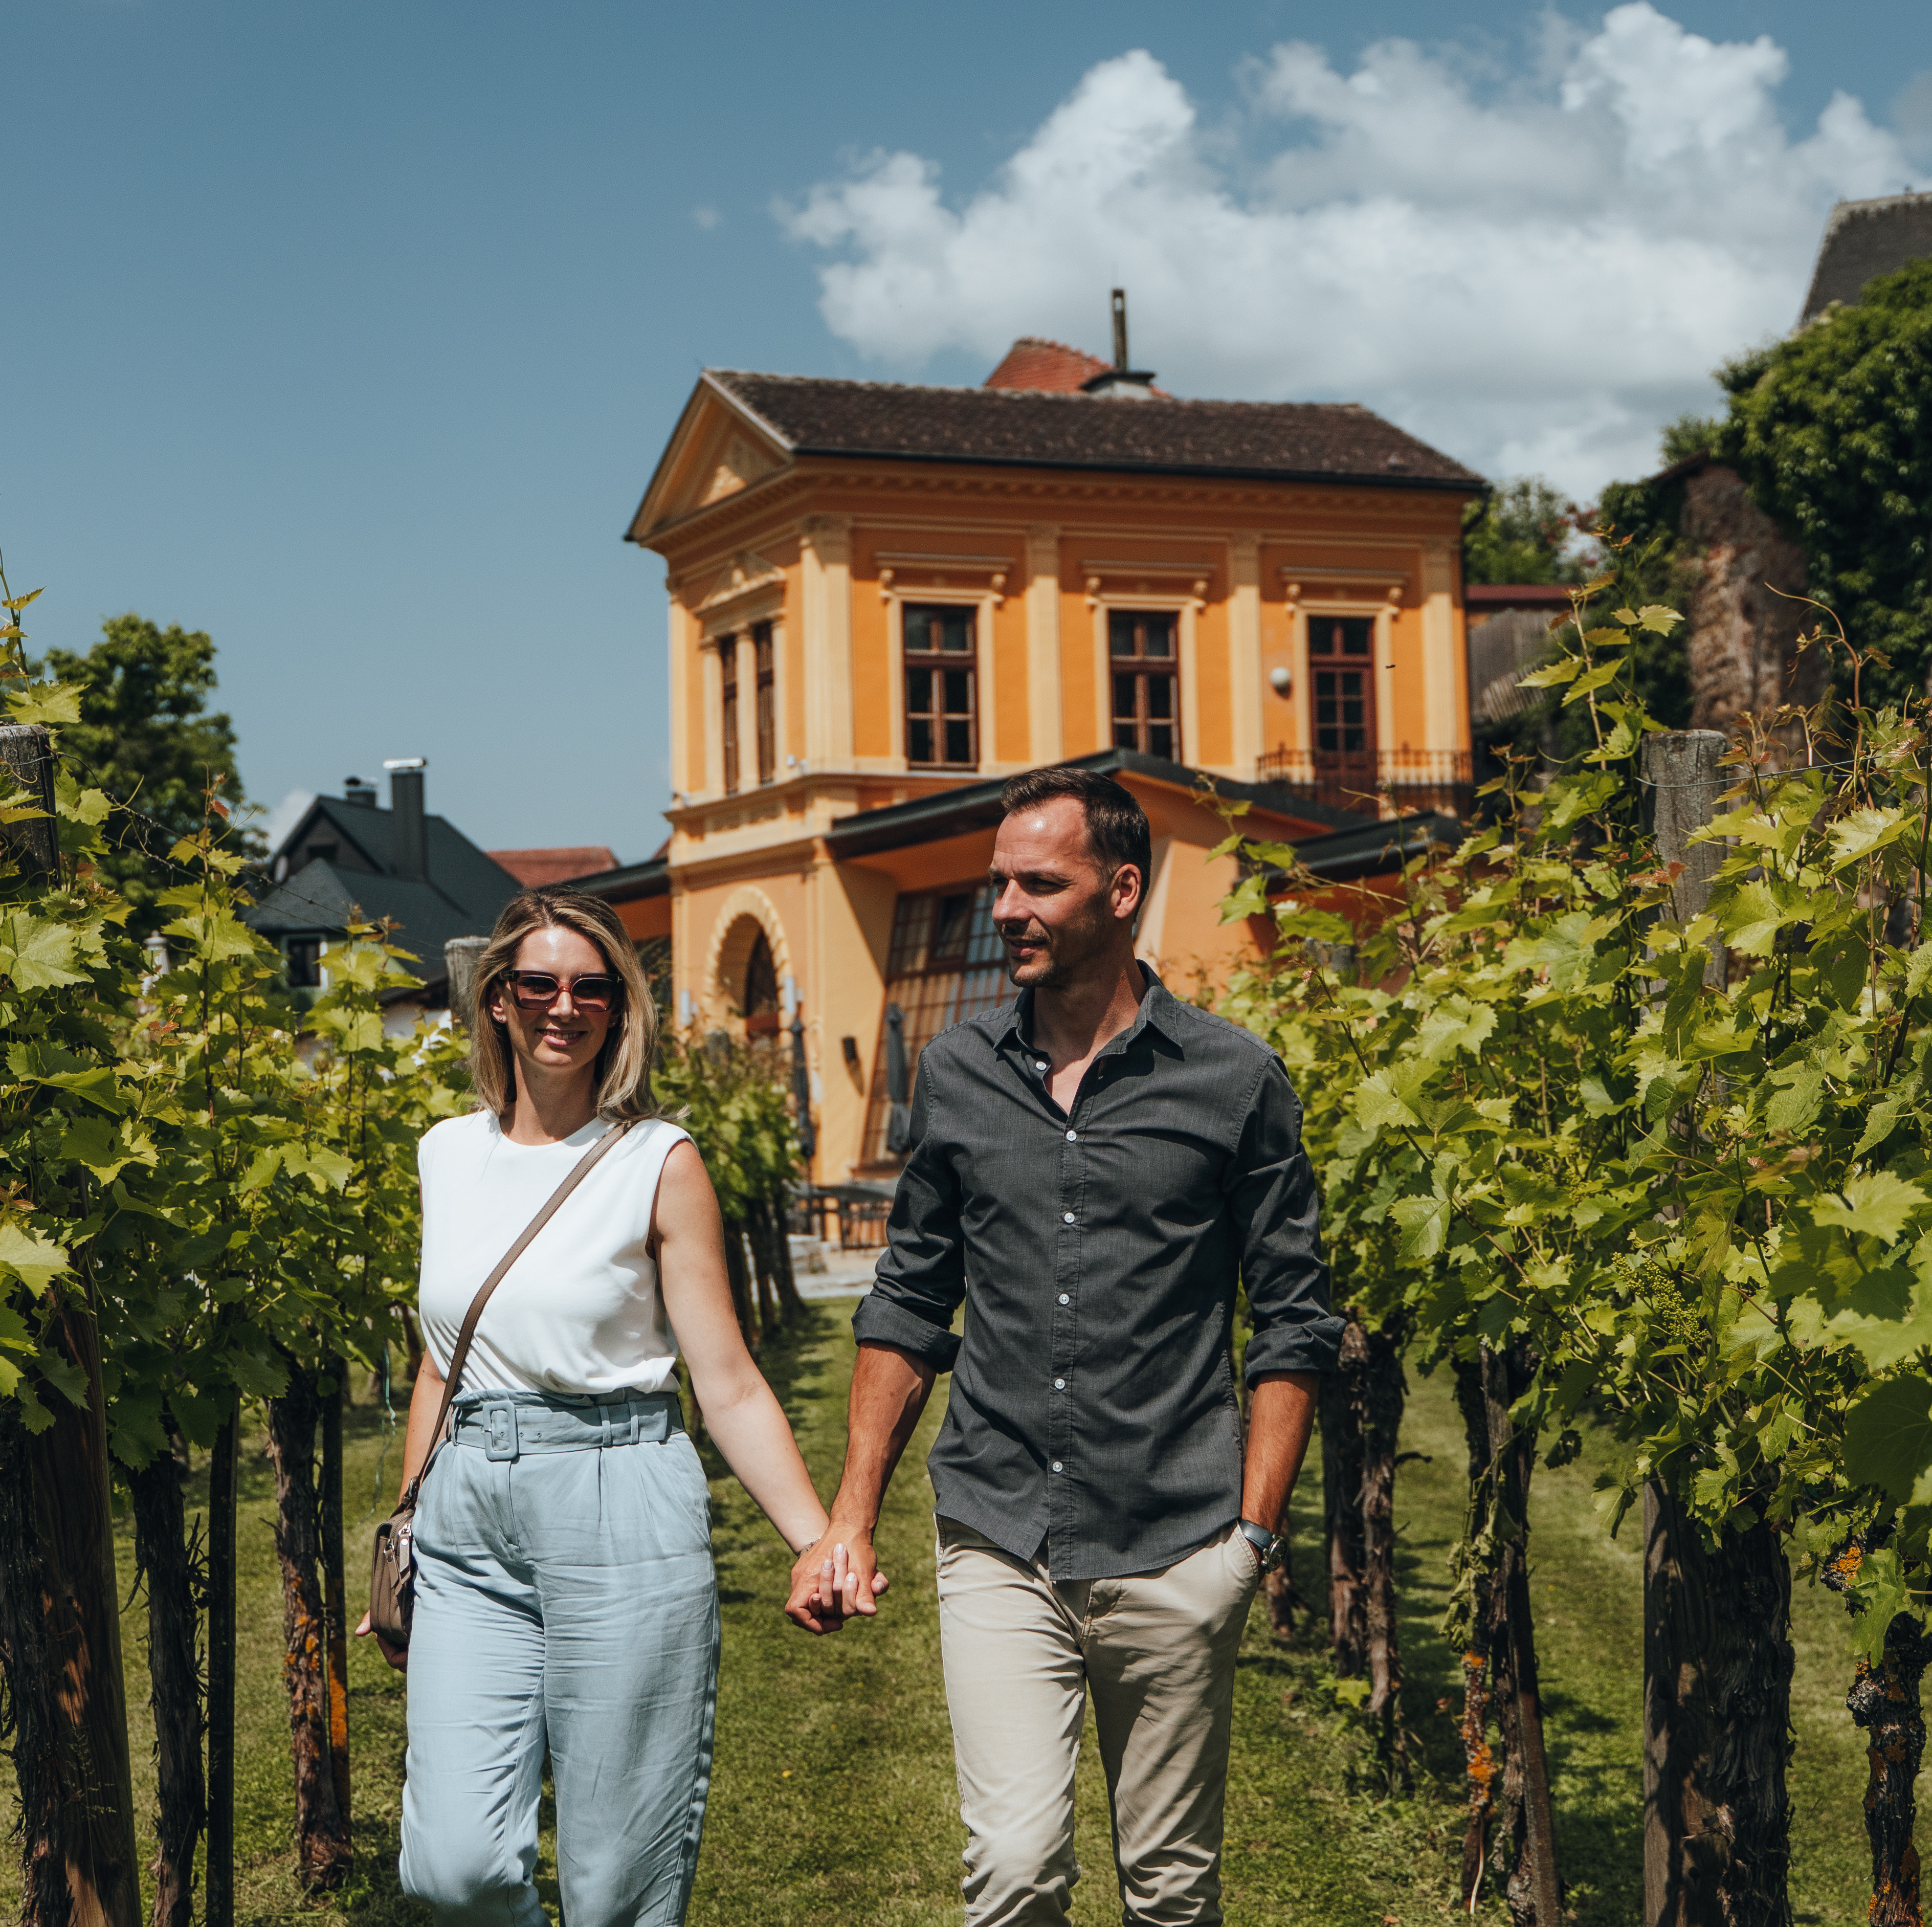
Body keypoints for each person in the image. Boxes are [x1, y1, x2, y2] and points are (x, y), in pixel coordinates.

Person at [790, 766, 1343, 1927]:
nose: (1006, 909)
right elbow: (908, 1297)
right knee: (1015, 1869)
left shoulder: (1234, 1080)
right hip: (999, 1530)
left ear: (1123, 890)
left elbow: (1295, 1315)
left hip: (1178, 1538)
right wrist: (849, 1517)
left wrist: (1251, 1536)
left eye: (1040, 883)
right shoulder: (956, 1074)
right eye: (999, 884)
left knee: (1172, 1894)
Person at [373, 889, 843, 1925]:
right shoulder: (446, 1153)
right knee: (453, 1869)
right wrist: (407, 1527)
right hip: (467, 1519)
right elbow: (440, 1364)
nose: (563, 1005)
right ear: (496, 998)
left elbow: (724, 1379)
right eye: (537, 983)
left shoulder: (658, 1161)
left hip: (617, 1491)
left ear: (619, 1009)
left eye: (591, 987)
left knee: (615, 1882)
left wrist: (817, 1539)